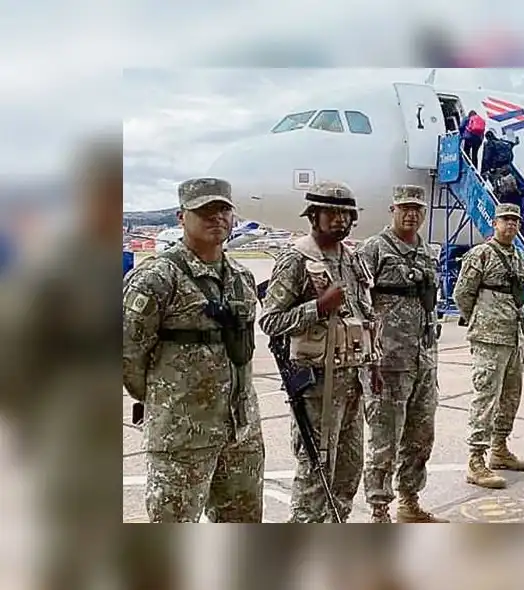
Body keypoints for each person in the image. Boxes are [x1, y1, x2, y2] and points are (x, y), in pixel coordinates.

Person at [123, 177, 264, 522]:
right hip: (182, 436)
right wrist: (162, 400)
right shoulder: (158, 277)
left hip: (241, 432)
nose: (216, 217)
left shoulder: (242, 277)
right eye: (204, 210)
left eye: (223, 209)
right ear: (181, 216)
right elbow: (127, 352)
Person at [258, 181, 382, 522]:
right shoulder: (296, 260)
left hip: (352, 381)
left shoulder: (353, 260)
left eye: (347, 214)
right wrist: (318, 307)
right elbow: (270, 321)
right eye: (332, 213)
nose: (341, 220)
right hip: (316, 389)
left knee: (348, 472)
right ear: (313, 216)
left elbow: (365, 315)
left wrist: (375, 364)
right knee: (315, 476)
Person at [357, 185, 448, 523]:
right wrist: (370, 351)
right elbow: (356, 301)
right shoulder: (374, 250)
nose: (412, 214)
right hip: (388, 361)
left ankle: (409, 501)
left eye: (418, 209)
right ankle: (379, 511)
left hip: (423, 359)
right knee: (384, 440)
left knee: (421, 435)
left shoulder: (425, 251)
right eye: (405, 208)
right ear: (392, 209)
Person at [452, 203, 524, 489]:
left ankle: (500, 449)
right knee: (486, 397)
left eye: (515, 220)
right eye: (505, 220)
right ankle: (476, 459)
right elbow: (462, 293)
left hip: (514, 336)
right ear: (495, 223)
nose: (510, 224)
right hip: (489, 337)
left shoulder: (519, 257)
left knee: (511, 396)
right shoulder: (481, 254)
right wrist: (480, 319)